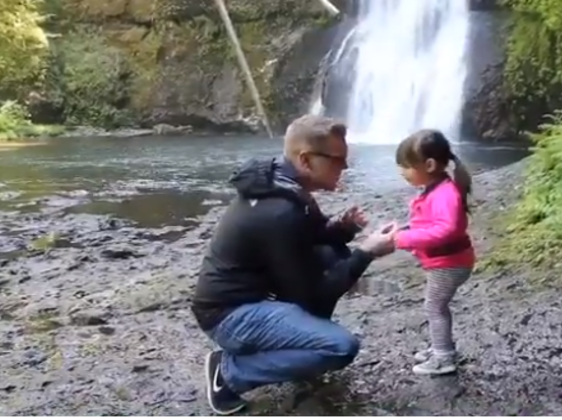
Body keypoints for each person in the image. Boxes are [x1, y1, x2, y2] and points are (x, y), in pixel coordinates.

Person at [190, 114, 398, 415]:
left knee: (332, 254)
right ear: (305, 160)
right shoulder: (280, 211)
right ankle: (229, 373)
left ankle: (298, 351)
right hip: (229, 314)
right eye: (338, 160)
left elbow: (314, 236)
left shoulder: (283, 186)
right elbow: (312, 295)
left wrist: (343, 228)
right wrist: (366, 252)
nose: (345, 167)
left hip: (257, 294)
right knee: (341, 347)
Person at [392, 129, 476, 375]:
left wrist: (404, 238)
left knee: (434, 307)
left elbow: (446, 229)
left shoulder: (445, 194)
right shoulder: (436, 188)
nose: (401, 172)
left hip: (450, 263)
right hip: (446, 261)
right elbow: (429, 223)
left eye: (406, 166)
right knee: (436, 306)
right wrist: (404, 229)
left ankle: (443, 357)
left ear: (428, 165)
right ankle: (442, 346)